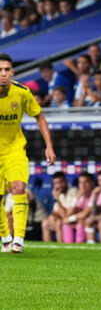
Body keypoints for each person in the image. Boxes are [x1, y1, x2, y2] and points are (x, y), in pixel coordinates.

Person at [0, 53, 56, 253]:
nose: (3, 74)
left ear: (12, 72)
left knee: (18, 187)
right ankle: (5, 238)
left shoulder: (22, 92)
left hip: (15, 150)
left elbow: (39, 117)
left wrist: (49, 146)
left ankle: (18, 240)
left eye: (6, 69)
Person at [41, 172, 77, 243]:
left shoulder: (73, 191)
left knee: (58, 223)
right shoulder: (58, 192)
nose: (59, 185)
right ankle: (48, 249)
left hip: (72, 220)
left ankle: (60, 247)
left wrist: (57, 199)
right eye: (56, 183)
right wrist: (52, 216)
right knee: (45, 222)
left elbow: (66, 215)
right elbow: (56, 212)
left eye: (61, 182)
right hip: (62, 219)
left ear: (66, 181)